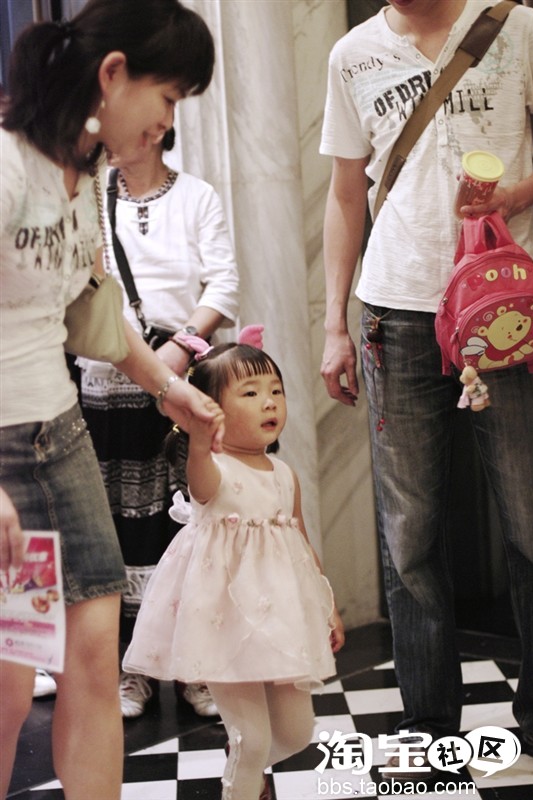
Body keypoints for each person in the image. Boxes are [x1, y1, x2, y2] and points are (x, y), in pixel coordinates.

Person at [0, 1, 221, 798]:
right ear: (113, 73)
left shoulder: (86, 176)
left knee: (95, 658)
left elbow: (94, 311)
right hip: (4, 454)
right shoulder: (7, 167)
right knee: (11, 680)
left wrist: (170, 388)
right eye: (168, 97)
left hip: (58, 441)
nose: (167, 122)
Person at [319, 0, 533, 778]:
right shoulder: (353, 53)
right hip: (395, 306)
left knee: (529, 518)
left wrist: (514, 195)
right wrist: (332, 325)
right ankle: (428, 727)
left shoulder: (518, 27)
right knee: (408, 529)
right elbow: (345, 194)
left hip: (503, 303)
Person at [123, 334, 345, 800]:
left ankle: (244, 764)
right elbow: (201, 482)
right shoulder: (214, 468)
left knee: (297, 733)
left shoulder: (284, 475)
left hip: (280, 621)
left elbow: (301, 544)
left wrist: (327, 608)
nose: (269, 402)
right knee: (254, 738)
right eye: (250, 393)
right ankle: (242, 778)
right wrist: (201, 440)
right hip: (224, 624)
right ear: (213, 410)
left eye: (276, 390)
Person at [78, 129, 239, 718]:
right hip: (105, 380)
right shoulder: (91, 196)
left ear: (154, 131)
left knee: (191, 523)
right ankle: (133, 670)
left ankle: (197, 670)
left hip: (183, 378)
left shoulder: (196, 195)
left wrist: (181, 344)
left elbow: (224, 282)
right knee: (118, 529)